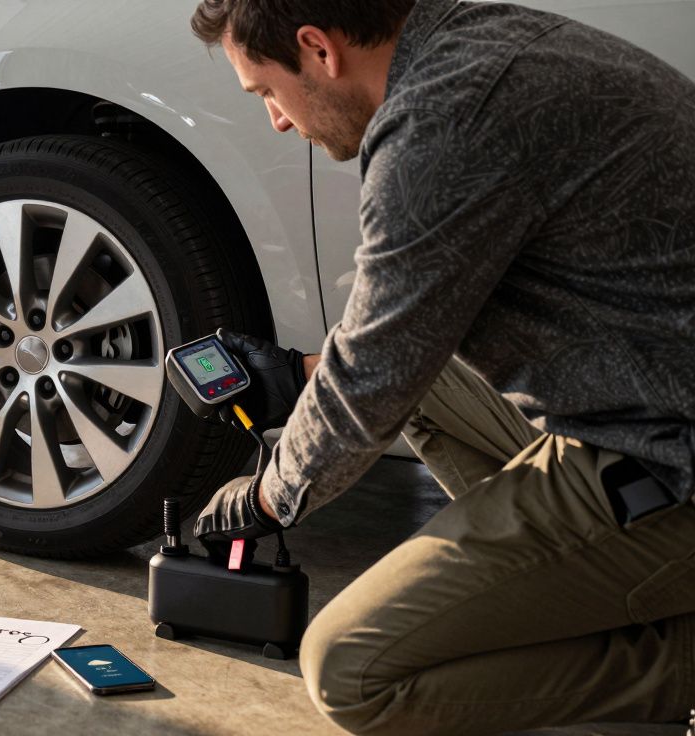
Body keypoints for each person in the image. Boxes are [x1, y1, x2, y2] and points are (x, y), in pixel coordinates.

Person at [186, 0, 695, 733]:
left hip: (666, 457)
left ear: (317, 50)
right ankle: (557, 598)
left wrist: (269, 497)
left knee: (352, 668)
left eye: (267, 91)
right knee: (425, 387)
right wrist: (304, 375)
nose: (277, 120)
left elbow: (373, 379)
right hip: (640, 392)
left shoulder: (443, 122)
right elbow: (395, 344)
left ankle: (670, 659)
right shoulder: (479, 38)